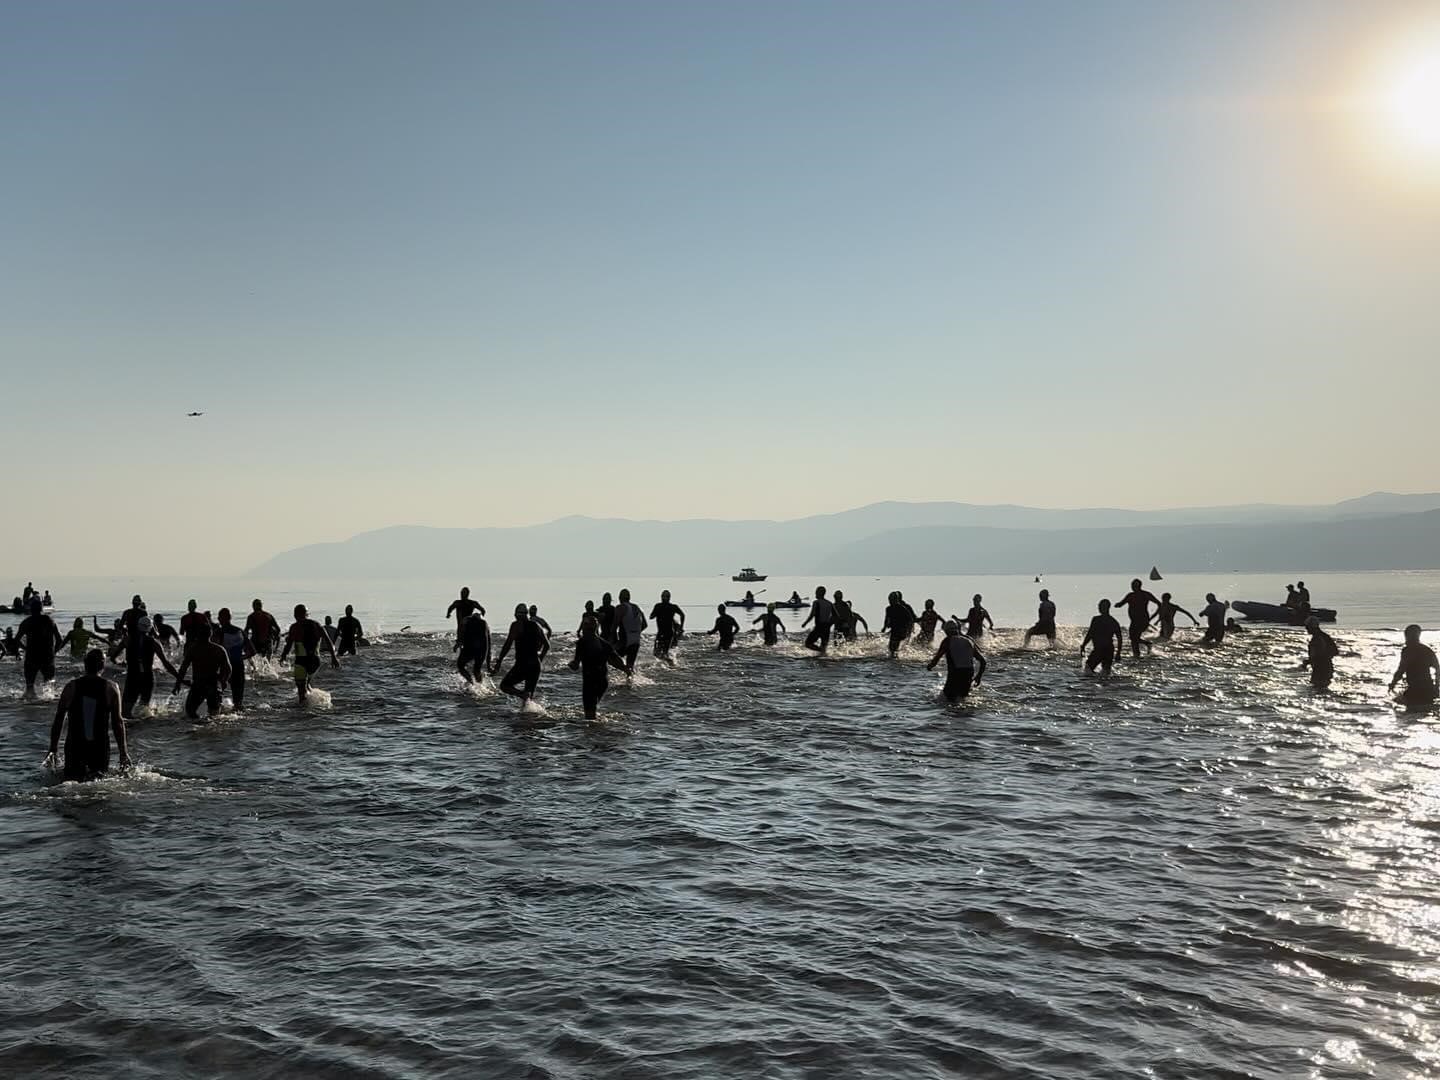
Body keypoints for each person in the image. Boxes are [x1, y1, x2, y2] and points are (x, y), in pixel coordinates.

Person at [48, 650, 128, 781]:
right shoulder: (111, 688)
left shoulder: (71, 687)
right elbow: (117, 722)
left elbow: (59, 719)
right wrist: (123, 753)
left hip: (75, 745)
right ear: (102, 665)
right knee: (98, 786)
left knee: (71, 784)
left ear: (85, 664)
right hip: (99, 746)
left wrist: (53, 749)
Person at [120, 615, 181, 719]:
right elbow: (166, 663)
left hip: (133, 677)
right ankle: (143, 730)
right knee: (144, 710)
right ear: (150, 627)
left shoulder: (128, 639)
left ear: (138, 626)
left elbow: (113, 656)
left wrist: (120, 663)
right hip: (147, 678)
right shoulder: (154, 642)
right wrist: (179, 678)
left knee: (125, 713)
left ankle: (130, 730)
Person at [279, 603, 340, 703]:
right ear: (307, 614)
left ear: (295, 615)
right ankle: (312, 703)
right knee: (305, 685)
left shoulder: (296, 627)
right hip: (313, 661)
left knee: (302, 689)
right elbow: (329, 641)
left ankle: (304, 709)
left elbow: (289, 644)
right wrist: (333, 657)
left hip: (303, 661)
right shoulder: (315, 625)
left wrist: (283, 656)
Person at [569, 615, 627, 719]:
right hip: (603, 682)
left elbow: (576, 664)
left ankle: (592, 733)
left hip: (590, 681)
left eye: (585, 625)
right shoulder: (604, 644)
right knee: (592, 711)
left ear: (586, 628)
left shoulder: (582, 642)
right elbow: (616, 661)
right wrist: (626, 670)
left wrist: (571, 664)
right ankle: (599, 732)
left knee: (589, 715)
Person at [490, 604, 549, 704]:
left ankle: (522, 695)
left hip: (523, 664)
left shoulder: (516, 625)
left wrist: (499, 661)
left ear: (517, 615)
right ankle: (528, 716)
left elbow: (507, 645)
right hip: (535, 664)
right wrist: (540, 659)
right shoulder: (536, 625)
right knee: (529, 697)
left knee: (505, 686)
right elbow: (547, 645)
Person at [174, 622, 232, 720]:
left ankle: (198, 726)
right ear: (211, 634)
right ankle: (209, 731)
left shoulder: (193, 649)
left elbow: (183, 668)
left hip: (198, 685)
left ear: (198, 635)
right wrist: (224, 681)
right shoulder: (219, 649)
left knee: (190, 712)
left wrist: (178, 683)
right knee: (214, 716)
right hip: (213, 685)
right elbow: (228, 669)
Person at [926, 621, 987, 702]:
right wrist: (979, 676)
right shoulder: (969, 640)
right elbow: (983, 661)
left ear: (946, 631)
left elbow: (937, 658)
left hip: (955, 673)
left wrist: (930, 666)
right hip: (969, 673)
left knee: (945, 700)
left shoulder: (947, 641)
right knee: (962, 699)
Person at [17, 597, 63, 697]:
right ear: (42, 608)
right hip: (47, 656)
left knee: (29, 688)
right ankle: (46, 710)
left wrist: (25, 649)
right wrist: (54, 652)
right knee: (49, 689)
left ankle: (29, 709)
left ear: (30, 609)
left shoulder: (26, 622)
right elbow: (59, 640)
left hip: (32, 656)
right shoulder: (49, 621)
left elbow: (16, 640)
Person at [1389, 624, 1439, 707]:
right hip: (1428, 689)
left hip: (1415, 689)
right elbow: (1437, 668)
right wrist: (1436, 687)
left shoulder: (1408, 650)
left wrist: (1393, 683)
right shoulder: (1427, 650)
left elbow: (1401, 669)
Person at [214, 608, 253, 708]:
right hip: (239, 666)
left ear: (220, 618)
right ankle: (238, 714)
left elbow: (214, 652)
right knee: (238, 699)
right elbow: (252, 651)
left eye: (219, 617)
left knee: (218, 693)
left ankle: (217, 714)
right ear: (230, 618)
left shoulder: (219, 632)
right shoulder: (240, 631)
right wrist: (241, 657)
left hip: (225, 667)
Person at [1112, 579, 1161, 658]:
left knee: (1134, 638)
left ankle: (1146, 645)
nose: (1132, 587)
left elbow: (1159, 603)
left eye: (1133, 586)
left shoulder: (1144, 595)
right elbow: (1121, 604)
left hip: (1143, 620)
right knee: (1133, 639)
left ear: (1137, 586)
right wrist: (1117, 605)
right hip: (1135, 621)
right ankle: (1137, 654)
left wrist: (1154, 615)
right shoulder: (1131, 595)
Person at [1080, 599, 1125, 675]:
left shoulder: (1096, 620)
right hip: (1109, 650)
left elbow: (1090, 633)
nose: (1099, 608)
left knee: (1088, 669)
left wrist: (1083, 645)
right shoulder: (1113, 621)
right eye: (1099, 606)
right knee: (1106, 672)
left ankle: (1091, 684)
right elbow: (1119, 638)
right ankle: (1104, 684)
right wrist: (1118, 653)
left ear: (1106, 608)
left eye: (1100, 606)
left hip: (1100, 649)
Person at [454, 608, 491, 685]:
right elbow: (488, 643)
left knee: (460, 665)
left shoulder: (468, 621)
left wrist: (458, 643)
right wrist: (488, 664)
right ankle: (480, 686)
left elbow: (462, 633)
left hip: (471, 647)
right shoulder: (485, 624)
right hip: (482, 649)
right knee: (476, 670)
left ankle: (472, 683)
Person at [1301, 616, 1339, 690]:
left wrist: (1309, 661)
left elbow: (1319, 655)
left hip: (1321, 668)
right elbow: (1334, 651)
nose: (1306, 629)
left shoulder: (1319, 638)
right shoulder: (1324, 637)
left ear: (1312, 627)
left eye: (1307, 627)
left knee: (1318, 688)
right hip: (1323, 667)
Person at [615, 589, 647, 674]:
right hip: (636, 640)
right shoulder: (637, 607)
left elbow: (614, 627)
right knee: (630, 665)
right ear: (629, 598)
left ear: (620, 598)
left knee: (609, 656)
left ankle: (622, 671)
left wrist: (613, 640)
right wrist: (636, 632)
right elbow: (645, 624)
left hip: (625, 639)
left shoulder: (620, 607)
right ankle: (630, 682)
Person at [649, 590, 685, 663]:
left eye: (664, 596)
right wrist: (681, 626)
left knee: (659, 653)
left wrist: (681, 627)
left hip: (665, 633)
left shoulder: (659, 606)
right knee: (658, 653)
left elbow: (651, 617)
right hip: (667, 633)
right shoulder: (672, 607)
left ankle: (670, 663)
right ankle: (669, 663)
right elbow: (682, 615)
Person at [882, 591, 917, 658]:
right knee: (891, 647)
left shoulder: (902, 608)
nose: (890, 601)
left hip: (901, 629)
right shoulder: (888, 609)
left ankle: (896, 658)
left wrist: (909, 629)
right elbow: (886, 618)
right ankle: (893, 658)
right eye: (889, 600)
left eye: (892, 599)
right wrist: (884, 627)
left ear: (896, 599)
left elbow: (910, 619)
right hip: (894, 629)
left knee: (895, 647)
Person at [801, 586, 835, 653]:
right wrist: (830, 624)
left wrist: (805, 623)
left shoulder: (816, 602)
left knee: (807, 644)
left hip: (819, 627)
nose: (815, 593)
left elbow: (812, 615)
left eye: (816, 592)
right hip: (827, 628)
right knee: (824, 647)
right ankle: (822, 655)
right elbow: (836, 616)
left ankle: (820, 650)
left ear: (819, 593)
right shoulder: (829, 603)